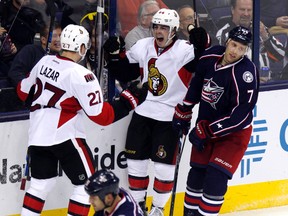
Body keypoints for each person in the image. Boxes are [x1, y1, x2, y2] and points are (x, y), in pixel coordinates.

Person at [17, 24, 148, 216]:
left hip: (37, 134)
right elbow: (102, 117)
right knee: (86, 185)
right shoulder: (82, 75)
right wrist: (130, 100)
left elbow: (22, 91)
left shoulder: (43, 61)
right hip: (65, 136)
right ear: (82, 48)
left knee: (39, 186)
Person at [103, 8, 210, 216]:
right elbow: (127, 72)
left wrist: (202, 42)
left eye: (164, 27)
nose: (158, 31)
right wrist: (115, 56)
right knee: (135, 165)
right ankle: (138, 207)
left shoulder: (184, 49)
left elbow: (202, 61)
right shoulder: (143, 46)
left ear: (173, 31)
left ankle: (158, 209)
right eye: (156, 26)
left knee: (163, 168)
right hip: (142, 112)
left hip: (169, 117)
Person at [172, 26, 259, 216]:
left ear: (246, 51)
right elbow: (196, 85)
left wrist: (208, 130)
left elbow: (241, 114)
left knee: (215, 178)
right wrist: (184, 109)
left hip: (233, 135)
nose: (235, 51)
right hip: (206, 126)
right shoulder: (209, 57)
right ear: (227, 41)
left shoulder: (246, 74)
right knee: (196, 175)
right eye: (234, 45)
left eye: (241, 48)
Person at [216, 0, 285, 83]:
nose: (246, 14)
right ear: (232, 10)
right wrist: (252, 79)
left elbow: (280, 55)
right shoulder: (224, 34)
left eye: (249, 10)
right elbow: (224, 68)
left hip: (266, 84)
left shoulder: (261, 29)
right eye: (242, 10)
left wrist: (264, 35)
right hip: (240, 85)